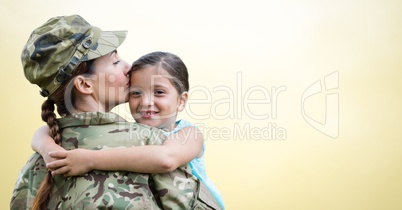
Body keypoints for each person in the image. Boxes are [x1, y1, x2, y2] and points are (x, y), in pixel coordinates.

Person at [10, 14, 221, 210]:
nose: (129, 67)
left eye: (159, 92)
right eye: (115, 61)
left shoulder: (39, 161)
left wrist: (47, 148)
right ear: (84, 85)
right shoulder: (149, 142)